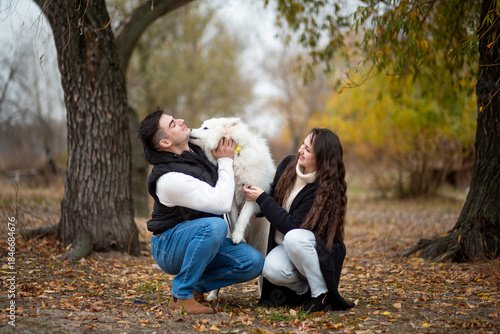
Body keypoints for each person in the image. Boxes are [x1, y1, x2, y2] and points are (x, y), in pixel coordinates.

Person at [138, 109, 264, 315]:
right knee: (215, 225)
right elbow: (221, 203)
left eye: (175, 119)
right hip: (169, 246)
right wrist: (225, 160)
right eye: (172, 124)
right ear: (165, 143)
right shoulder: (169, 178)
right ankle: (181, 295)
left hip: (203, 240)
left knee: (253, 262)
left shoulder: (196, 152)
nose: (180, 121)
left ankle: (195, 287)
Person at [243, 128, 354, 313]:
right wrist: (256, 209)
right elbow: (274, 197)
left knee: (294, 237)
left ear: (322, 158)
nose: (301, 150)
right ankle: (309, 291)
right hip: (286, 247)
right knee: (270, 269)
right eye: (303, 143)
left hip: (313, 249)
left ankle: (321, 294)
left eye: (308, 150)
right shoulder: (288, 164)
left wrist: (262, 199)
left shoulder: (322, 189)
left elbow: (291, 226)